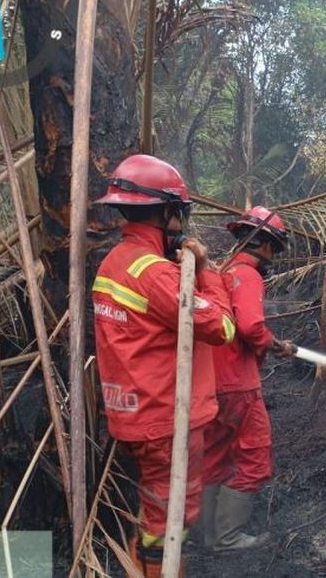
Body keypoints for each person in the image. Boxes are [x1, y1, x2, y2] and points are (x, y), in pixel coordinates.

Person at [91, 154, 236, 577]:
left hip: (134, 413)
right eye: (178, 213)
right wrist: (206, 273)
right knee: (171, 520)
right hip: (166, 421)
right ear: (167, 212)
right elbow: (223, 327)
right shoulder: (155, 274)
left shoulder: (116, 262)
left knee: (154, 507)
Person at [200, 206, 297, 551]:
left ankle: (206, 533)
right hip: (238, 384)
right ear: (267, 245)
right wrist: (277, 345)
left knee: (214, 456)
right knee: (255, 456)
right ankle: (227, 537)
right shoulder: (248, 274)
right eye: (275, 249)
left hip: (212, 381)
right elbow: (250, 326)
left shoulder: (221, 273)